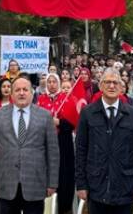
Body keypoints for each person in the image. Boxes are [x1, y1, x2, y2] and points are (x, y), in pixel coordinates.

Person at [75, 68, 133, 213]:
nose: (111, 86)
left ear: (122, 87)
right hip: (96, 186)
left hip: (125, 187)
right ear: (101, 86)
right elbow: (81, 150)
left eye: (115, 83)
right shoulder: (88, 113)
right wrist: (81, 184)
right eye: (107, 82)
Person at [0, 76, 59, 214]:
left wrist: (52, 183)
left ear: (32, 93)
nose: (22, 93)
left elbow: (53, 152)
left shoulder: (45, 116)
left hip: (35, 184)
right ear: (11, 94)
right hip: (6, 183)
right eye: (17, 90)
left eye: (25, 89)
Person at [36, 73, 79, 214]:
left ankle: (64, 207)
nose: (52, 84)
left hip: (63, 143)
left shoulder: (67, 99)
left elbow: (73, 122)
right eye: (49, 82)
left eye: (55, 82)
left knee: (64, 174)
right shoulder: (41, 99)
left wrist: (59, 122)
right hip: (45, 142)